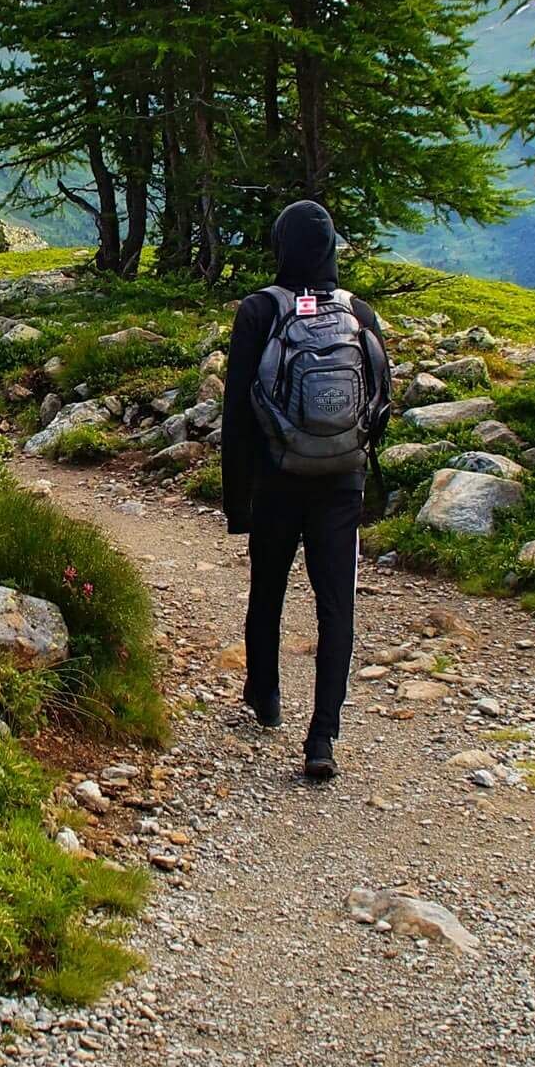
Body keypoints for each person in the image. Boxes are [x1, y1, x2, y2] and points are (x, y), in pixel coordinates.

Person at [220, 200, 390, 781]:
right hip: (342, 479)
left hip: (278, 475)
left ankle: (265, 696)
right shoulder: (359, 312)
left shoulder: (260, 311)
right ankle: (322, 738)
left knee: (268, 586)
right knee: (335, 603)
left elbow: (238, 412)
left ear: (281, 246)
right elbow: (380, 399)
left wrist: (236, 501)